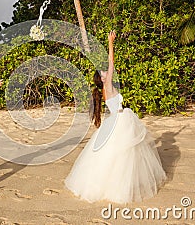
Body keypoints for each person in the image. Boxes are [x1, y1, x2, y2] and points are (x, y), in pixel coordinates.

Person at [64, 31, 166, 203]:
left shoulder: (104, 90)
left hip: (115, 119)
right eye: (103, 73)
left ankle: (118, 183)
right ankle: (119, 186)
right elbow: (111, 63)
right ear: (103, 79)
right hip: (120, 120)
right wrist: (110, 42)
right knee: (124, 153)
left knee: (121, 153)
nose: (105, 72)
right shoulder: (107, 85)